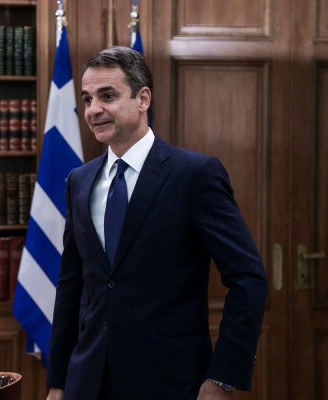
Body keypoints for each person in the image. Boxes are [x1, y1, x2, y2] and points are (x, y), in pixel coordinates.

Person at [45, 46, 268, 400]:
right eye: (87, 99)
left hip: (171, 380)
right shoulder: (79, 181)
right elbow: (71, 285)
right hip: (87, 380)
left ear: (143, 98)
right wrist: (58, 382)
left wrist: (223, 376)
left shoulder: (194, 175)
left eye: (107, 96)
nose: (93, 110)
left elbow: (248, 279)